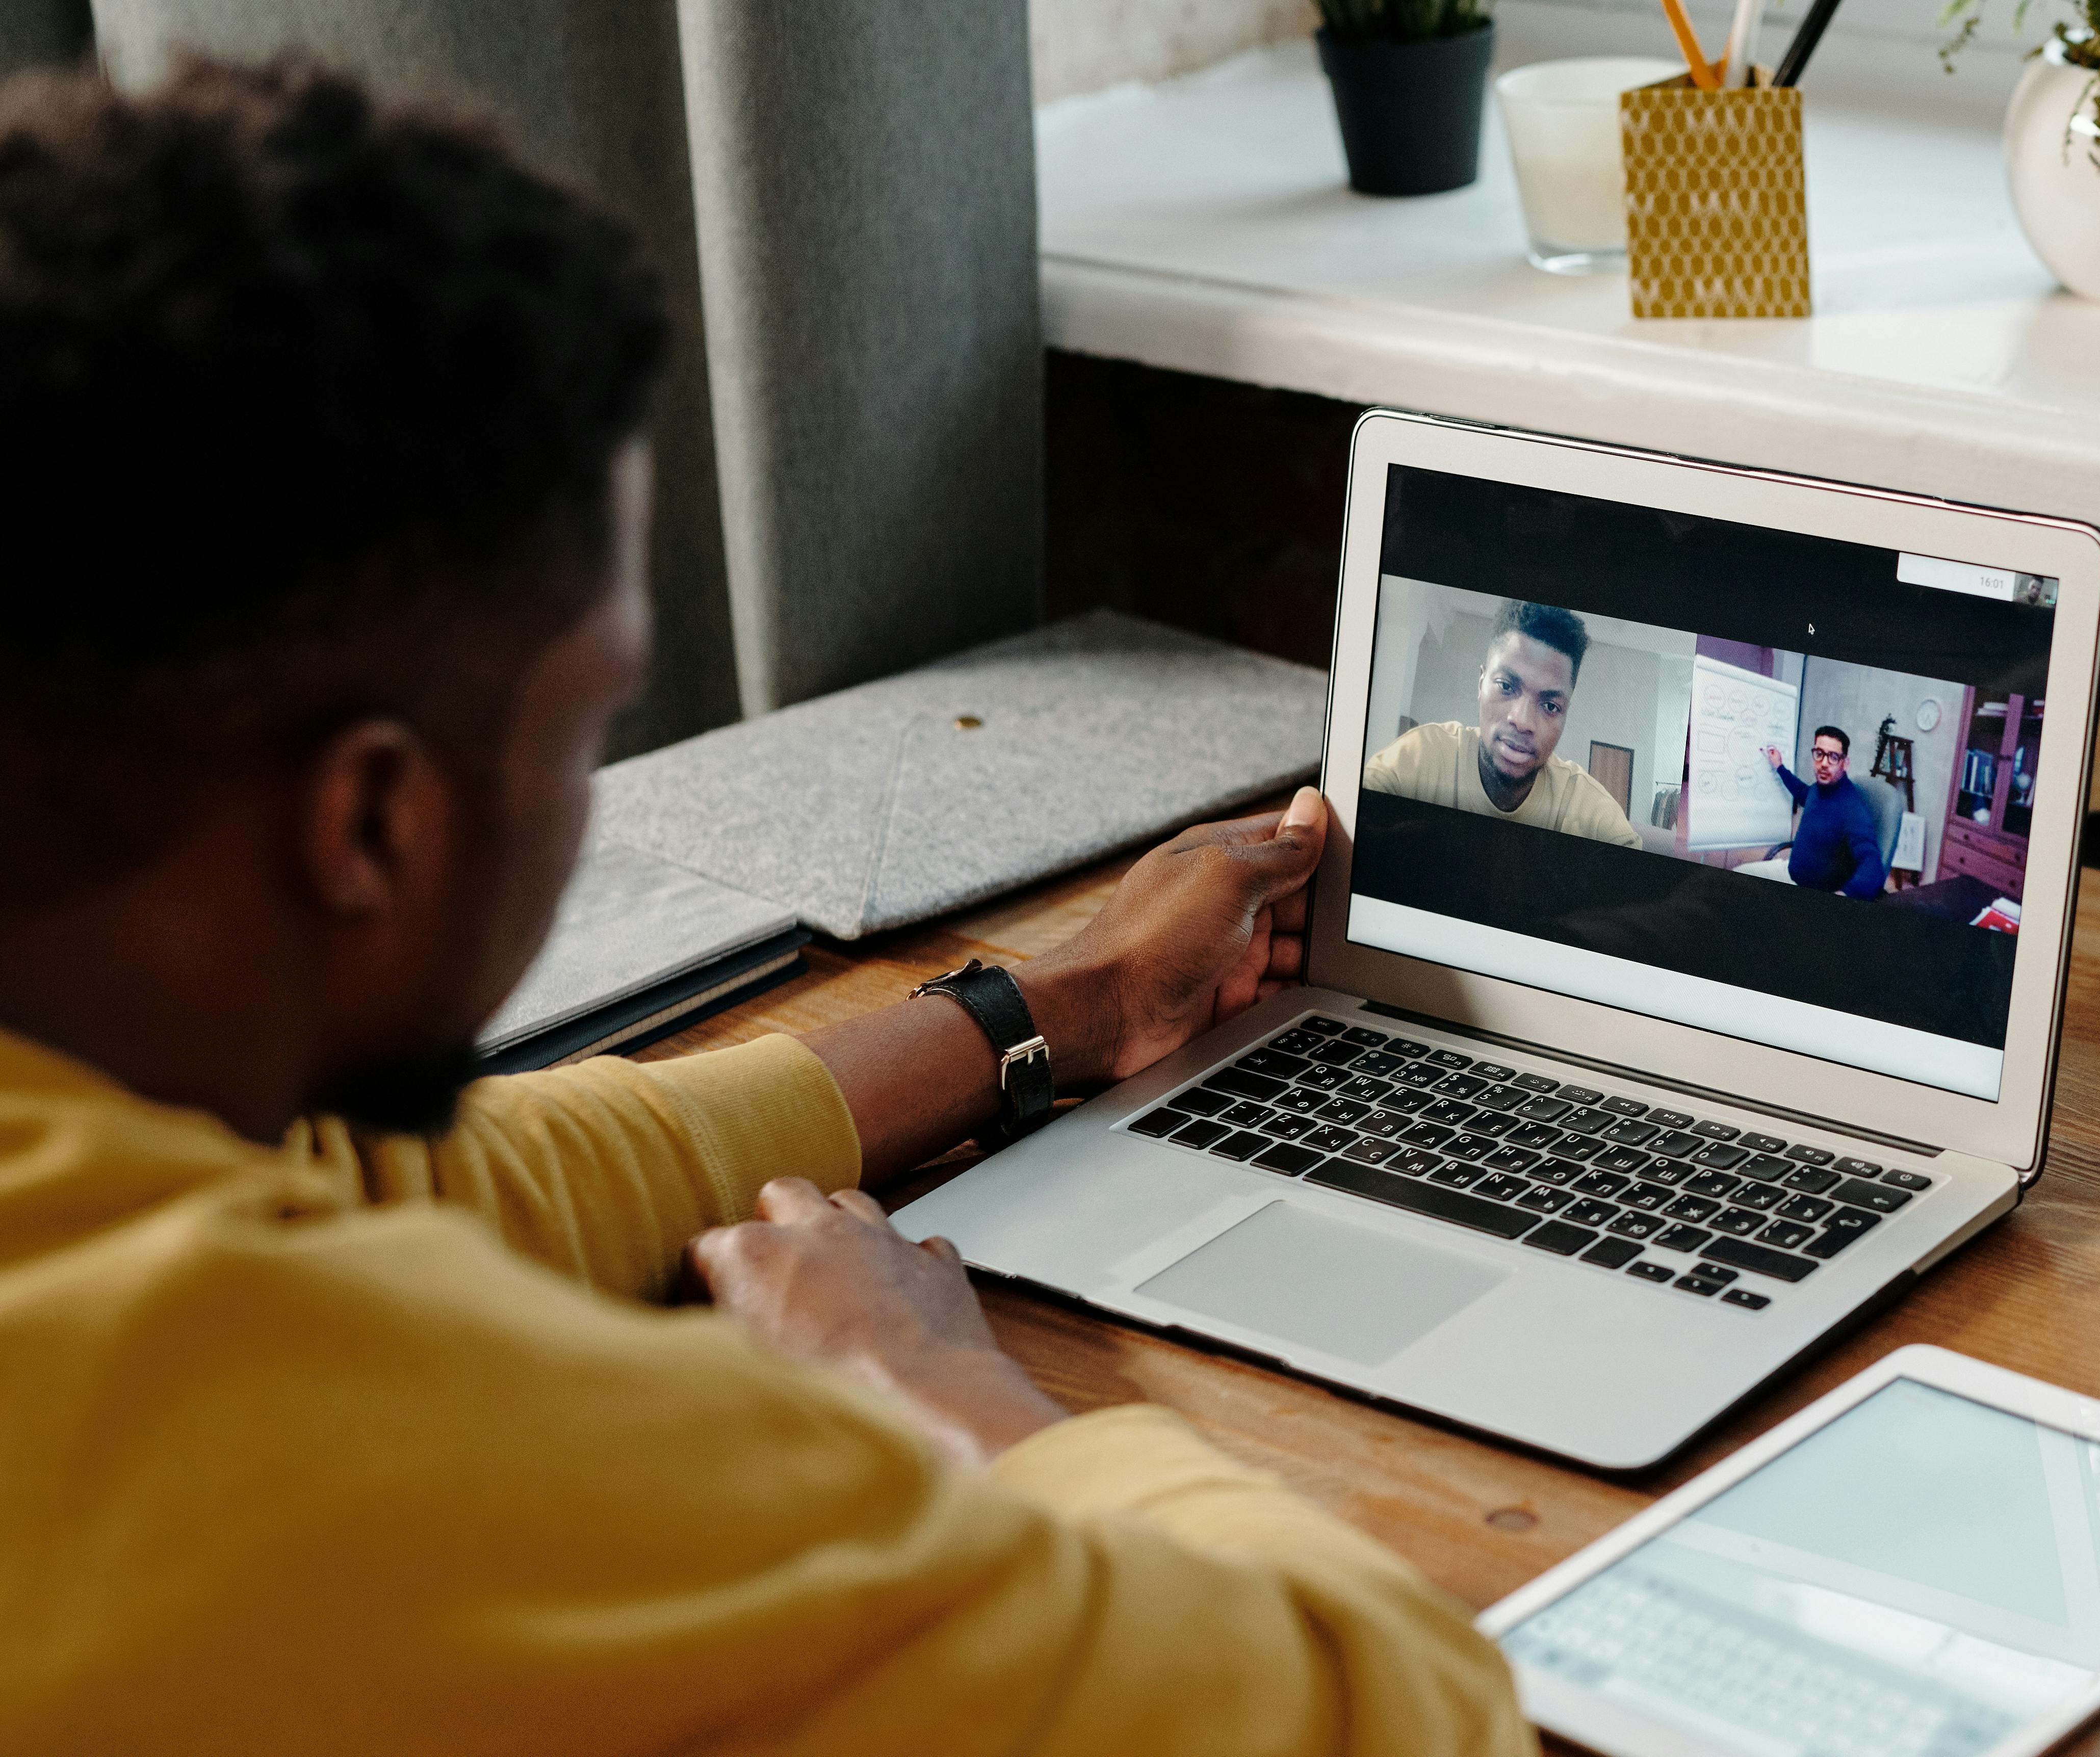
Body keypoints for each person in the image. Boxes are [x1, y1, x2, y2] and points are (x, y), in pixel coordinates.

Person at [0, 59, 1529, 1755]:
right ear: (371, 816)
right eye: (590, 721)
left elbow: (425, 1176)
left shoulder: (94, 1145)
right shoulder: (387, 1445)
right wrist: (930, 1381)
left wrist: (1057, 1004)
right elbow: (1401, 1715)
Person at [1362, 599, 1641, 848]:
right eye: (1506, 686)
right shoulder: (1420, 757)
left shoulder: (1590, 813)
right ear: (1481, 683)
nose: (1522, 721)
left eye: (1550, 706)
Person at [1757, 726, 1888, 898]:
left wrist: (1846, 894)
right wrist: (1780, 767)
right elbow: (1801, 792)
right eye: (1819, 754)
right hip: (1789, 873)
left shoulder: (1852, 809)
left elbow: (1872, 862)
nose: (1824, 763)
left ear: (1845, 763)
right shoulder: (1818, 790)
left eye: (1834, 757)